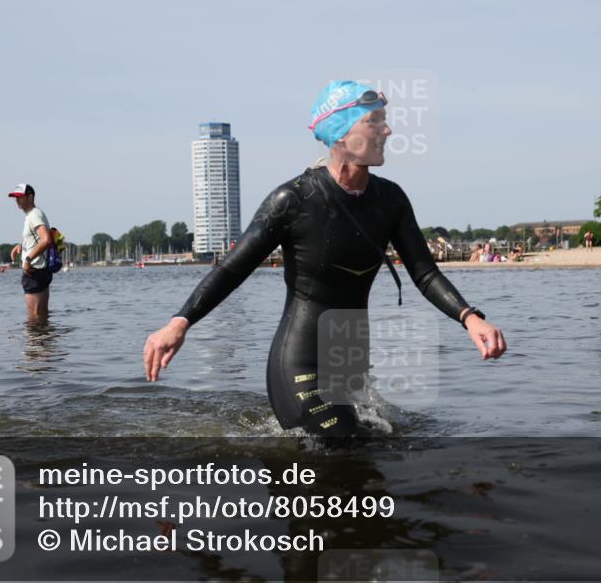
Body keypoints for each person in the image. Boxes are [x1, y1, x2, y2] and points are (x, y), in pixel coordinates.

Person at [143, 81, 506, 438]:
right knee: (342, 442)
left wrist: (470, 318)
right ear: (342, 132)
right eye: (375, 120)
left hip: (349, 359)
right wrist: (180, 322)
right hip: (301, 359)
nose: (388, 129)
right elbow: (233, 269)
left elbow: (424, 274)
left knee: (369, 456)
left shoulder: (390, 199)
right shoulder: (293, 200)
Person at [8, 184, 53, 319]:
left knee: (34, 318)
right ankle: (44, 339)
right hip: (40, 270)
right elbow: (37, 239)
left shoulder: (34, 215)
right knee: (42, 316)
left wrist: (28, 259)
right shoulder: (34, 214)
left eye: (20, 197)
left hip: (34, 271)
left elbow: (46, 240)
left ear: (30, 197)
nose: (17, 200)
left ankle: (34, 340)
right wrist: (23, 245)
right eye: (15, 197)